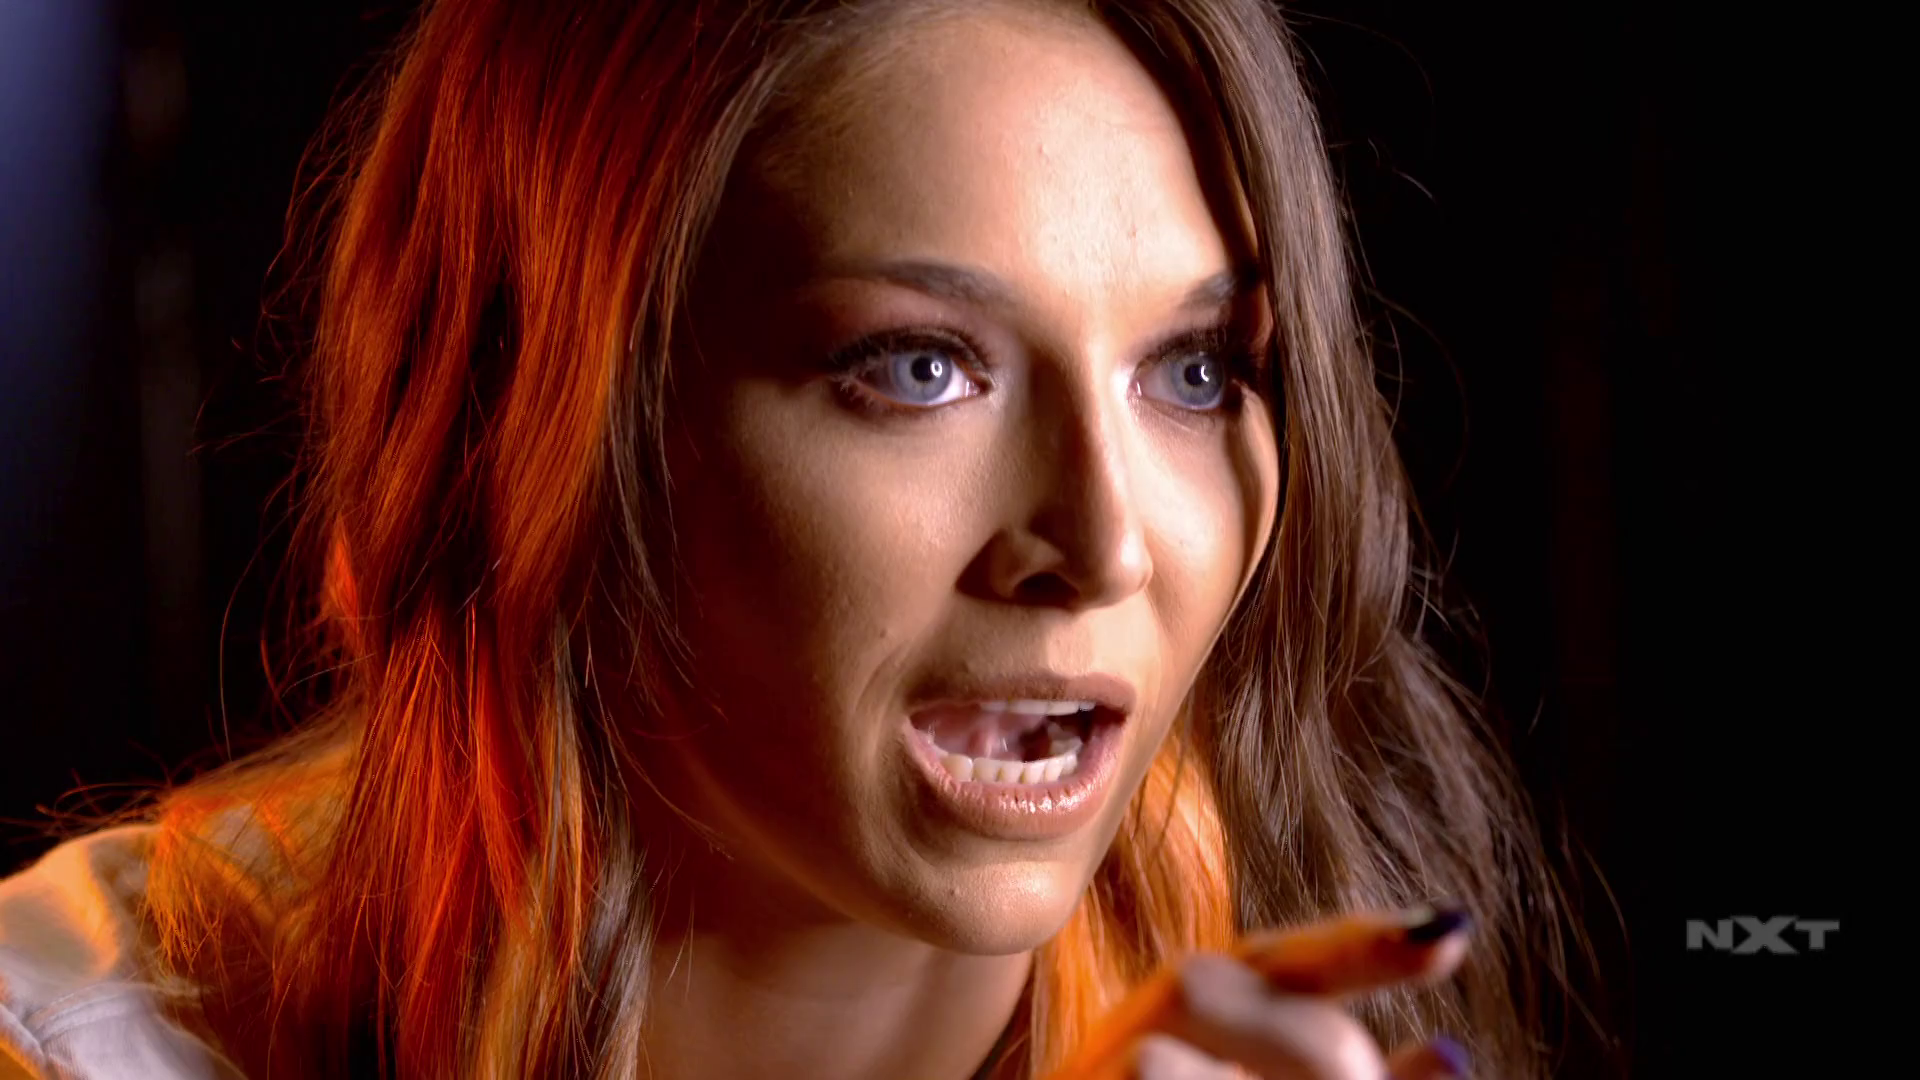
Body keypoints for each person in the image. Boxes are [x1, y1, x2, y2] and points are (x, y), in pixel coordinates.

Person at [0, 0, 1585, 1076]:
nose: (1105, 543)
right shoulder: (78, 1038)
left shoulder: (1301, 975)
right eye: (919, 368)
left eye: (1195, 371)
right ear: (535, 417)